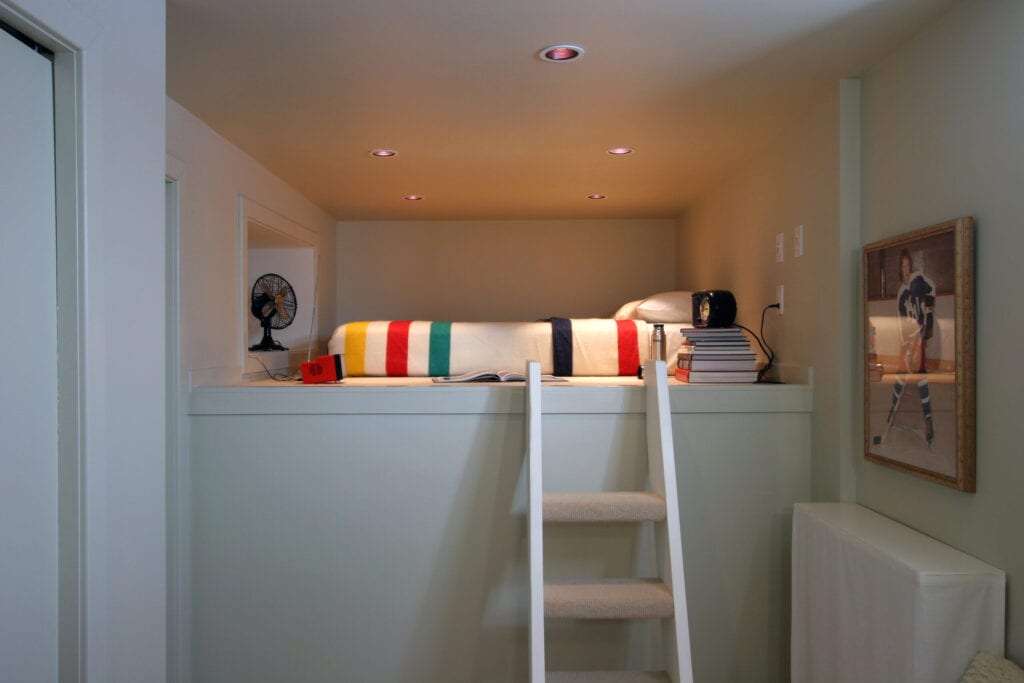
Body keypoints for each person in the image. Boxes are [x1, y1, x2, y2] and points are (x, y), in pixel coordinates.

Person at [885, 248, 937, 447]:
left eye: (907, 265)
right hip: (907, 340)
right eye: (902, 266)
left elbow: (932, 288)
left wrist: (929, 311)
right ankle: (892, 409)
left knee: (921, 378)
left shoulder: (918, 279)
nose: (905, 269)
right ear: (899, 269)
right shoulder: (900, 293)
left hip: (919, 338)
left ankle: (929, 419)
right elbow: (900, 322)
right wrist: (903, 344)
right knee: (900, 375)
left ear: (911, 267)